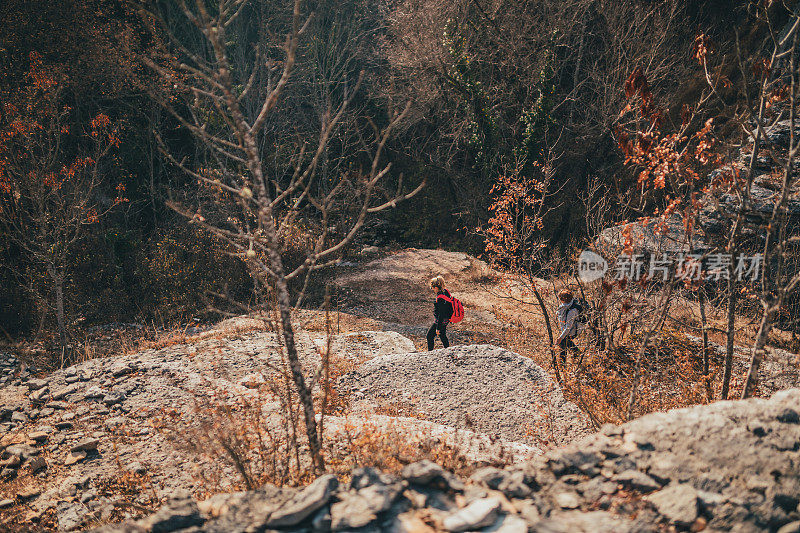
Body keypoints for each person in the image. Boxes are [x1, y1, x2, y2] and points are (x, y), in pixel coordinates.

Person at [427, 275, 453, 350]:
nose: (432, 290)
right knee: (442, 335)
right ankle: (448, 350)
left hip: (441, 320)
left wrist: (438, 328)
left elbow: (441, 313)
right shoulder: (446, 292)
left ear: (436, 287)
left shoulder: (440, 298)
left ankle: (429, 353)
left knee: (429, 336)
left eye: (432, 288)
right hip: (446, 319)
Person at [555, 289, 579, 361]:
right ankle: (576, 353)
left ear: (563, 299)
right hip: (567, 330)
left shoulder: (572, 311)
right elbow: (562, 310)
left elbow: (568, 327)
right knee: (566, 343)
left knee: (563, 343)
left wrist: (560, 337)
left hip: (572, 331)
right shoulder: (566, 305)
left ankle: (563, 364)